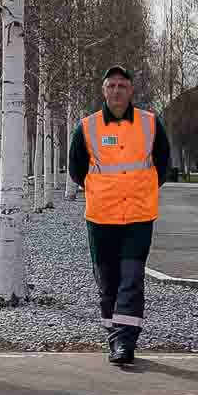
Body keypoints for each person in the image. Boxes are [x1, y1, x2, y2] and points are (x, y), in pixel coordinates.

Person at [68, 64, 172, 365]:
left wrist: (145, 187)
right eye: (111, 86)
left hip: (138, 216)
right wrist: (101, 189)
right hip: (101, 217)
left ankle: (125, 343)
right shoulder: (86, 127)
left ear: (131, 91)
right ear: (103, 91)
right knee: (108, 281)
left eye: (121, 86)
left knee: (132, 278)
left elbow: (162, 163)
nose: (116, 91)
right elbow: (77, 169)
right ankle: (113, 336)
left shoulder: (150, 123)